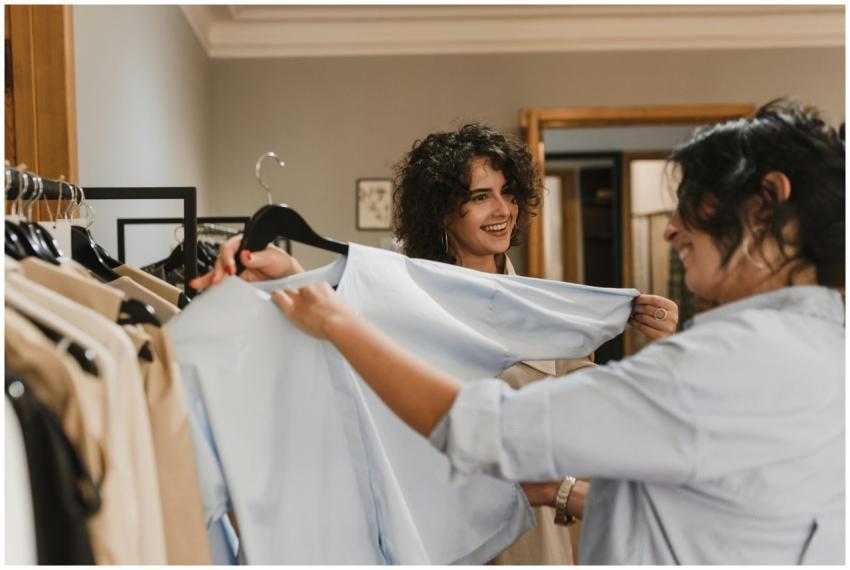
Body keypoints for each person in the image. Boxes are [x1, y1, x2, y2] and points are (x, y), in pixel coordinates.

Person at [270, 99, 846, 564]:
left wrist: (336, 323)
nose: (671, 231)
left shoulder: (711, 362)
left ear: (765, 205)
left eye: (692, 205)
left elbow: (489, 429)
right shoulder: (822, 348)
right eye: (478, 197)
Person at [191, 123, 679, 564]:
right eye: (481, 196)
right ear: (444, 211)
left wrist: (664, 352)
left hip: (529, 545)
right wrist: (293, 278)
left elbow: (606, 430)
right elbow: (346, 376)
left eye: (508, 193)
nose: (502, 210)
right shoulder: (397, 300)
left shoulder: (543, 318)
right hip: (427, 538)